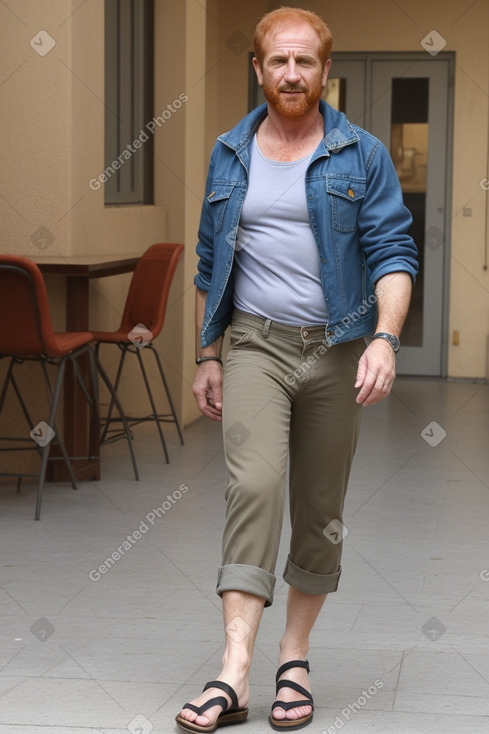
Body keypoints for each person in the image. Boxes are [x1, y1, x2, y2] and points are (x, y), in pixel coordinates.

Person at [176, 6, 418, 732]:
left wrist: (383, 338)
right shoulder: (228, 151)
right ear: (257, 69)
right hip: (254, 342)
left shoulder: (361, 154)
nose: (290, 73)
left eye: (304, 62)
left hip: (337, 347)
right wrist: (207, 353)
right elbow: (211, 262)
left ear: (323, 70)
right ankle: (233, 671)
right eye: (276, 61)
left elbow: (394, 255)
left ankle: (294, 658)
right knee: (253, 484)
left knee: (319, 507)